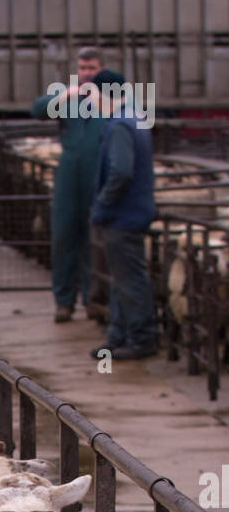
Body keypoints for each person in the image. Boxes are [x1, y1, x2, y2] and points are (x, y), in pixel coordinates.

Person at [31, 45, 109, 323]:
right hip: (68, 173)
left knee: (92, 237)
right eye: (83, 68)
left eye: (92, 68)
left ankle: (92, 299)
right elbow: (38, 109)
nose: (87, 74)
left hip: (97, 173)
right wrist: (65, 95)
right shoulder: (67, 96)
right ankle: (63, 302)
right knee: (63, 235)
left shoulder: (112, 98)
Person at [89, 74, 157, 360]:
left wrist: (102, 204)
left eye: (91, 94)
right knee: (122, 278)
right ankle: (119, 337)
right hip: (130, 213)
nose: (89, 101)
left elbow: (121, 172)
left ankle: (141, 339)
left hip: (123, 216)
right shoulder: (133, 119)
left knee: (130, 279)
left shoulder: (119, 125)